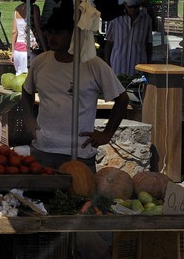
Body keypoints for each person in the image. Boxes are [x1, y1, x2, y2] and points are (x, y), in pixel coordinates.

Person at [21, 9, 129, 167]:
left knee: (80, 190)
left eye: (57, 33)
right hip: (43, 148)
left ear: (73, 34)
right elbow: (26, 91)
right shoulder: (40, 62)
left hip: (80, 153)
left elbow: (122, 98)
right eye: (49, 33)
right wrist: (29, 120)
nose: (51, 38)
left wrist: (107, 134)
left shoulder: (93, 64)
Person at [104, 0, 155, 82]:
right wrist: (107, 65)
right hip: (117, 68)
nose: (133, 9)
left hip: (138, 69)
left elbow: (149, 44)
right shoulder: (116, 19)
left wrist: (149, 66)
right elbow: (109, 42)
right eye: (130, 6)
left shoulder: (146, 19)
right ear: (125, 4)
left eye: (136, 7)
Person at [12, 0, 32, 77]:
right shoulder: (33, 8)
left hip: (17, 48)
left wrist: (13, 51)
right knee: (27, 76)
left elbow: (14, 32)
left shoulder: (17, 9)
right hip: (27, 48)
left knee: (18, 75)